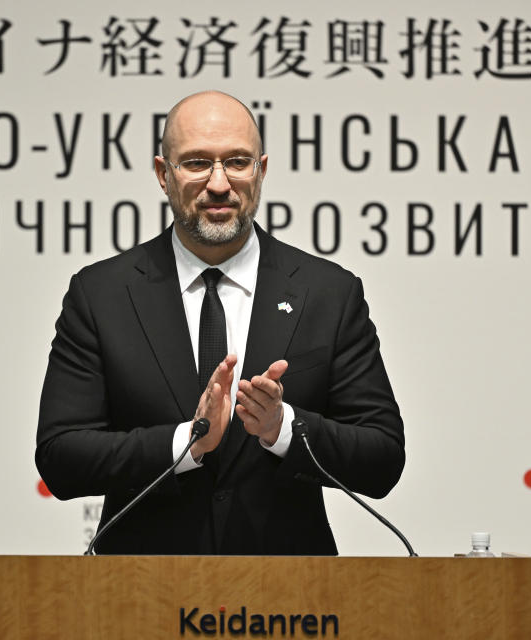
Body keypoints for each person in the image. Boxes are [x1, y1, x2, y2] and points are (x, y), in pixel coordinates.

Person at [36, 90, 404, 555]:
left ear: (262, 171)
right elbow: (61, 458)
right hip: (136, 595)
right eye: (195, 163)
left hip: (294, 602)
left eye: (236, 162)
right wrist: (186, 443)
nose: (218, 183)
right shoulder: (101, 294)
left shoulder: (328, 293)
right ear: (162, 175)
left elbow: (382, 457)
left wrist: (282, 427)